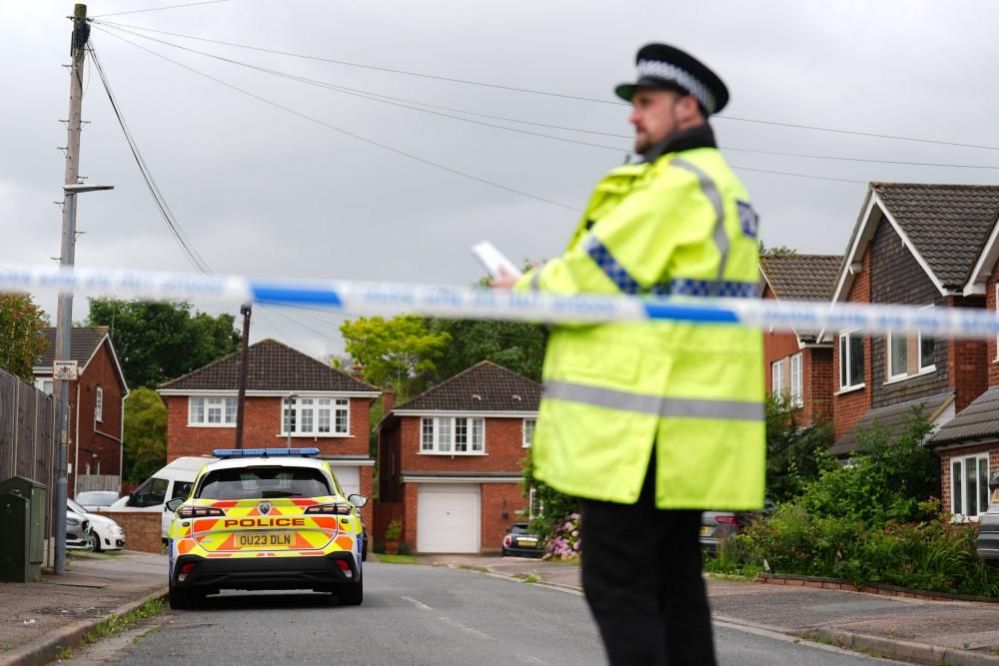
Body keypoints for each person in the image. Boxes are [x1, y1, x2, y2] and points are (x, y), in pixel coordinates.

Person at [492, 43, 765, 665]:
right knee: (675, 586)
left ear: (686, 107)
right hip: (687, 429)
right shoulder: (727, 190)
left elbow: (591, 276)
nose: (633, 117)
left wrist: (521, 289)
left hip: (640, 429)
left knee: (617, 582)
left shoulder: (673, 186)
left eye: (645, 103)